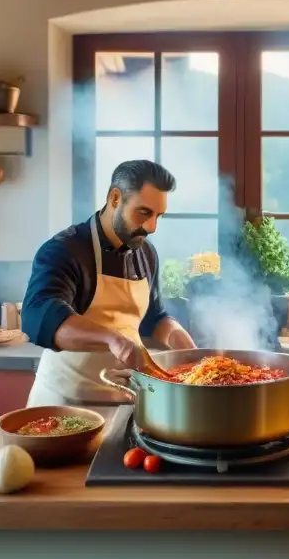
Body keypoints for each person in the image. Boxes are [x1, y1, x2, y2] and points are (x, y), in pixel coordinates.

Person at [20, 159, 197, 406]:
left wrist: (178, 337)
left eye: (158, 216)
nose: (152, 227)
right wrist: (113, 340)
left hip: (124, 400)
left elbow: (153, 317)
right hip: (63, 404)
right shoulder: (65, 250)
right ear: (115, 198)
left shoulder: (146, 254)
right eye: (144, 213)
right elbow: (39, 316)